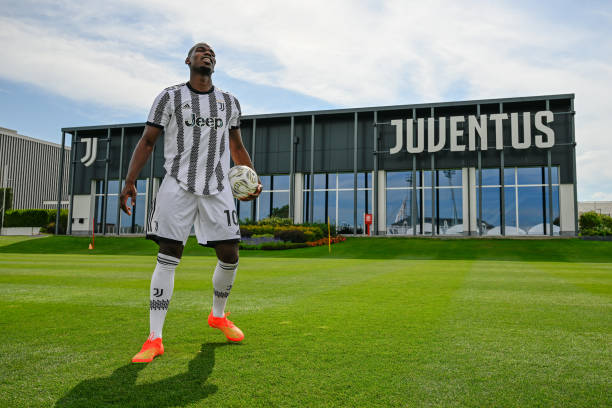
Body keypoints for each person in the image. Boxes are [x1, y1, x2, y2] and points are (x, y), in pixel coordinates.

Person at [120, 42, 261, 363]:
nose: (207, 54)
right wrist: (130, 181)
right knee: (169, 254)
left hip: (217, 187)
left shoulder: (228, 102)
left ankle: (218, 315)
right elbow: (147, 141)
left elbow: (237, 146)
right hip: (178, 186)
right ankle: (154, 339)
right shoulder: (169, 97)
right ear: (188, 60)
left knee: (230, 255)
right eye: (200, 51)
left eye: (211, 52)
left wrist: (252, 179)